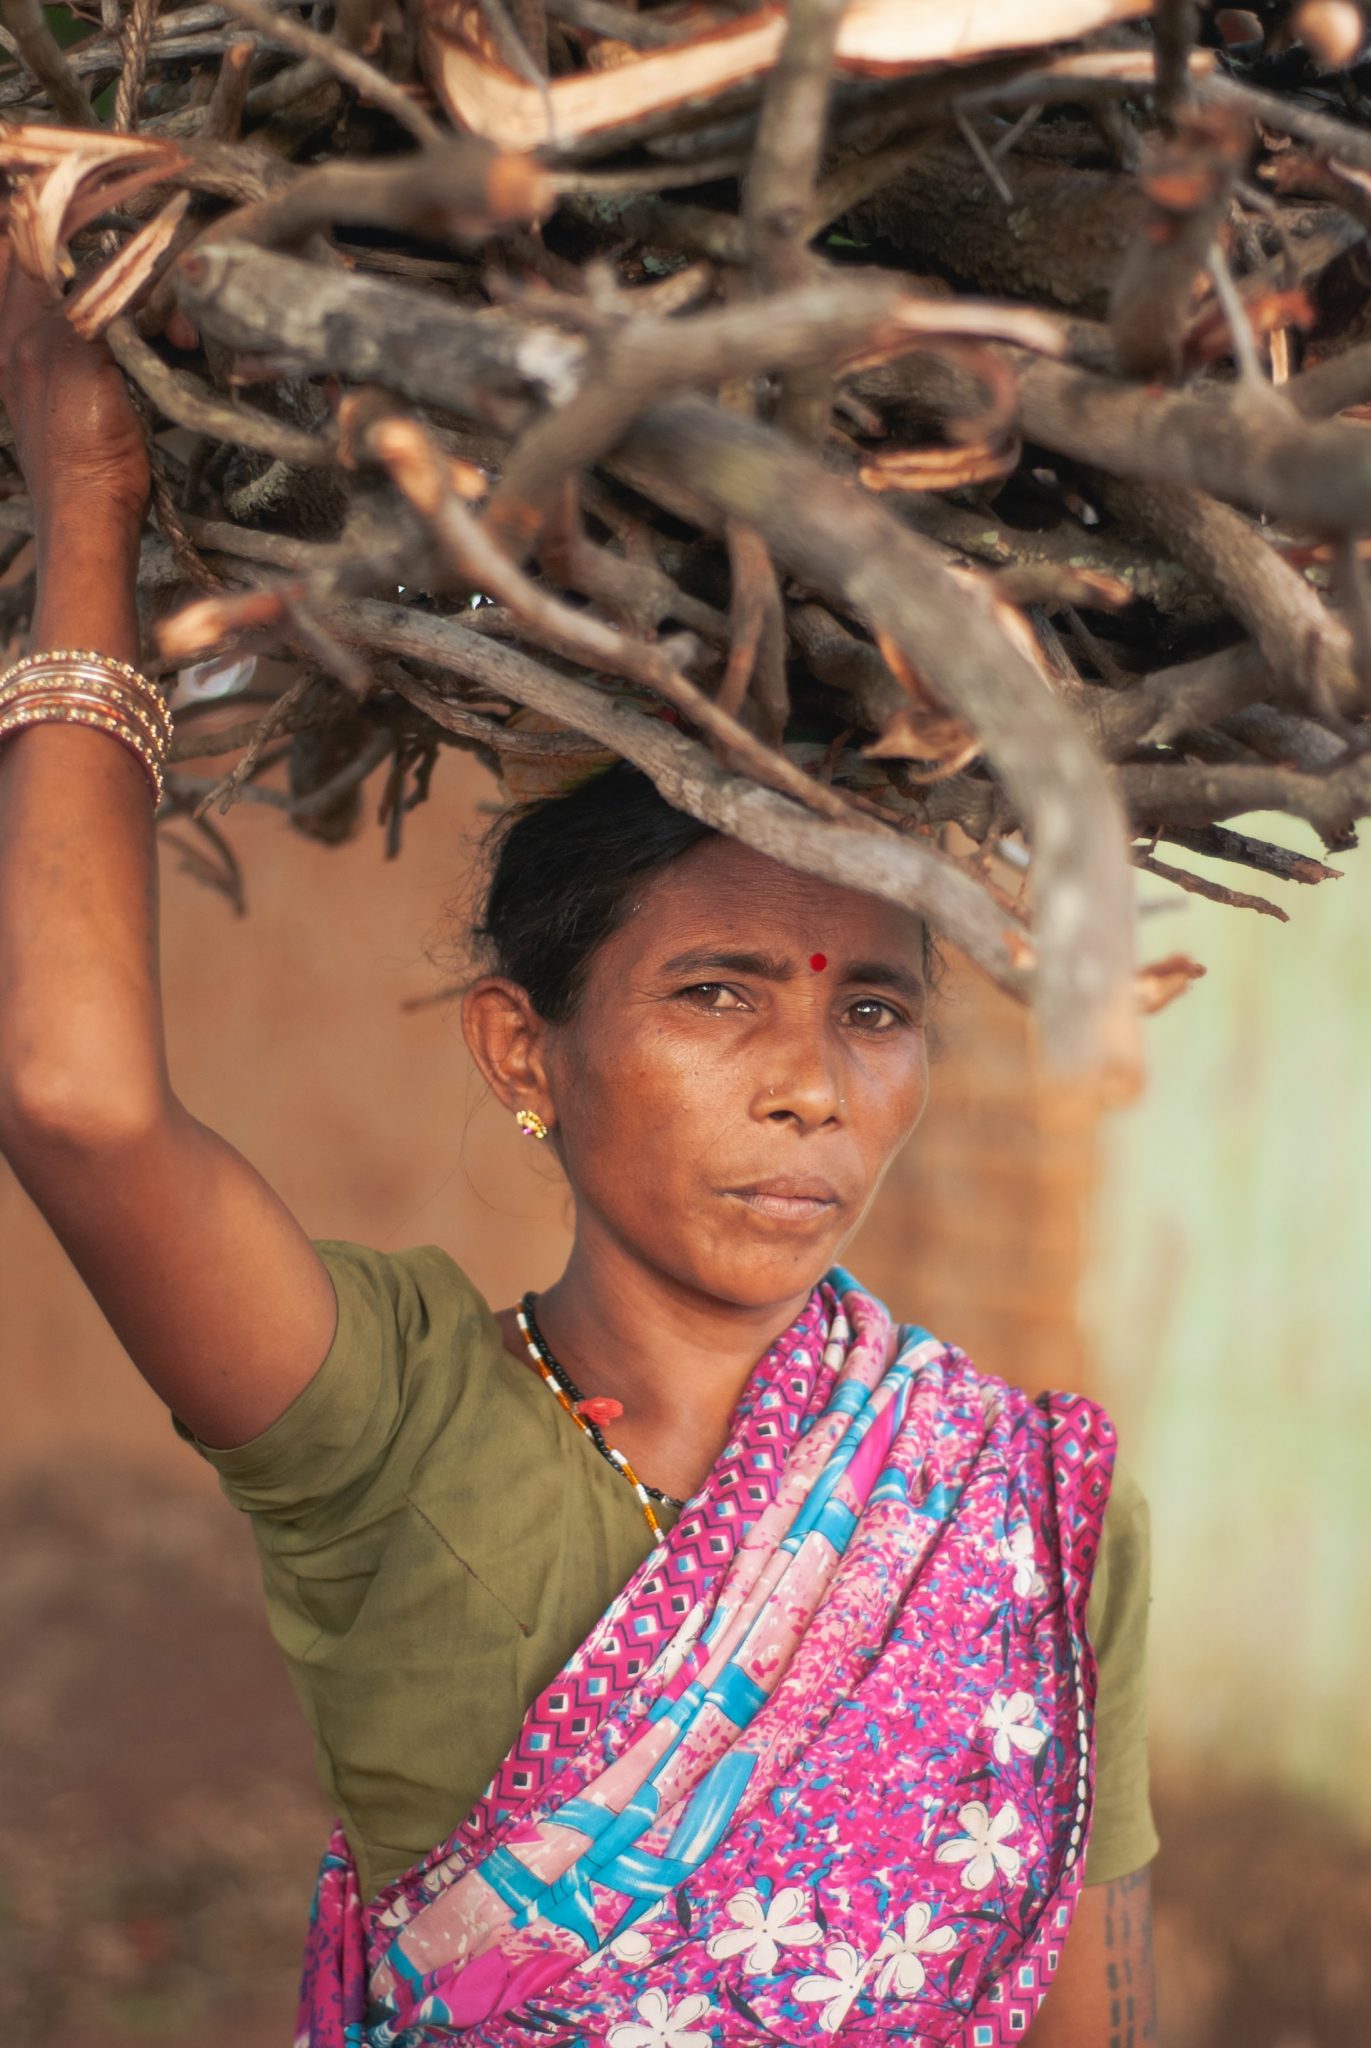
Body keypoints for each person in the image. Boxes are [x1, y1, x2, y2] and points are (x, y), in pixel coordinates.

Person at [0, 243, 1158, 2047]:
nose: (812, 1084)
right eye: (715, 995)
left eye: (873, 1008)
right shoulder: (389, 1421)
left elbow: (1081, 2015)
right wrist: (92, 504)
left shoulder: (1024, 1509)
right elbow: (77, 1104)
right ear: (520, 1046)